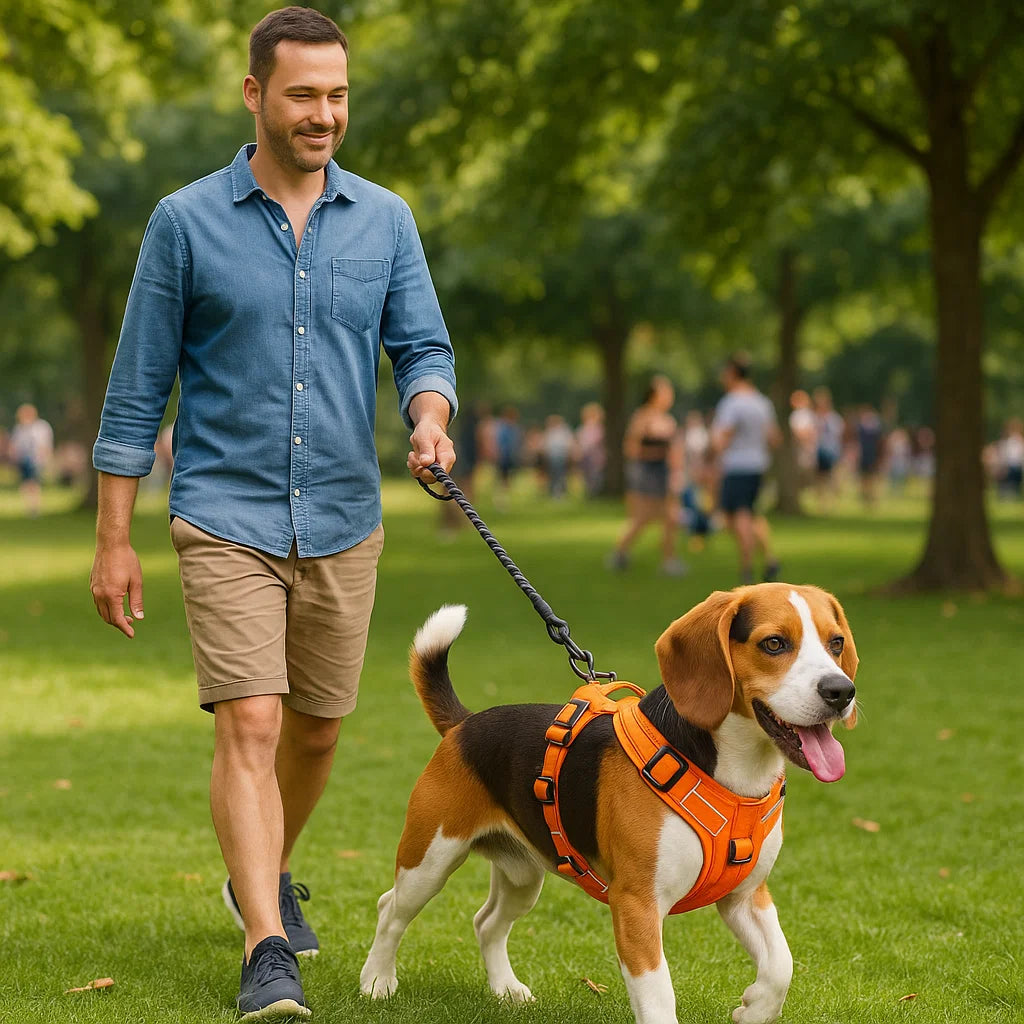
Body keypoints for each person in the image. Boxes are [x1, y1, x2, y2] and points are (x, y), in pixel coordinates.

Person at [88, 8, 457, 1021]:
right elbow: (134, 393)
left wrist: (429, 416)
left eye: (337, 95)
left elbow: (423, 348)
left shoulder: (385, 220)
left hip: (344, 513)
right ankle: (266, 948)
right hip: (224, 511)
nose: (323, 114)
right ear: (254, 94)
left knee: (318, 732)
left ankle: (262, 870)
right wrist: (114, 537)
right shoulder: (184, 221)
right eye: (303, 94)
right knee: (249, 722)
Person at [710, 355, 781, 585]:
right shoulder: (762, 402)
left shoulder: (732, 402)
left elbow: (724, 436)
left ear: (732, 373)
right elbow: (774, 437)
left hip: (737, 466)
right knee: (748, 514)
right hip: (757, 465)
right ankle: (770, 558)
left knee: (738, 517)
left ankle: (747, 568)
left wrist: (713, 454)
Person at [607, 375, 686, 576]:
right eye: (665, 392)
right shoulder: (642, 417)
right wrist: (657, 454)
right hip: (646, 472)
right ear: (654, 395)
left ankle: (669, 560)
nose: (669, 396)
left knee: (671, 517)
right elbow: (631, 448)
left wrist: (677, 471)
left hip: (664, 473)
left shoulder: (668, 420)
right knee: (642, 518)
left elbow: (675, 450)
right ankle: (619, 553)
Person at [10, 403, 54, 517]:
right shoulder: (20, 428)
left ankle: (34, 507)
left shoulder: (41, 427)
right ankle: (29, 506)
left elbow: (45, 444)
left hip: (35, 459)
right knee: (26, 483)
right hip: (23, 459)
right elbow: (16, 445)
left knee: (33, 483)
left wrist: (44, 458)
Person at [576, 401, 606, 498]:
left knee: (594, 476)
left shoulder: (597, 428)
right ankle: (591, 494)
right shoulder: (593, 428)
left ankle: (593, 494)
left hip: (595, 457)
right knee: (590, 477)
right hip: (589, 457)